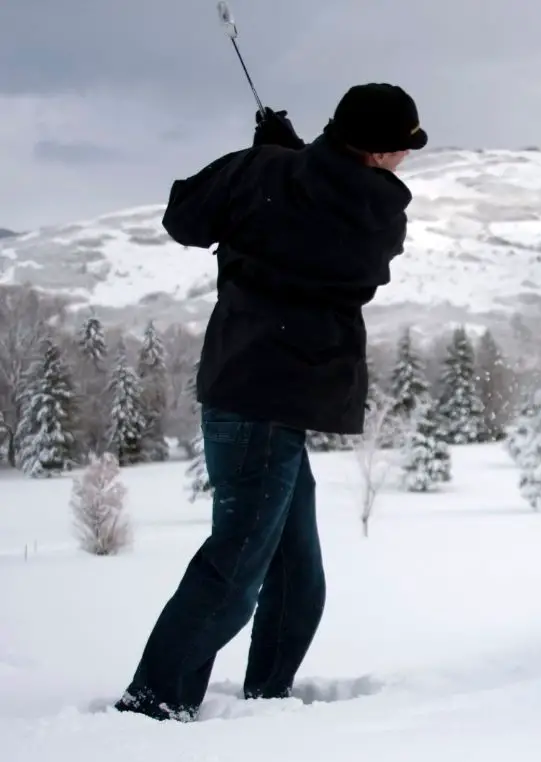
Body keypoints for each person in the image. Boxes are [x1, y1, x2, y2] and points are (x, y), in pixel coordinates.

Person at [114, 83, 427, 722]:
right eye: (400, 150)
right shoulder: (373, 207)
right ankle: (151, 705)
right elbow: (321, 216)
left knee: (296, 578)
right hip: (253, 402)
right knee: (235, 573)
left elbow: (189, 218)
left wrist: (269, 162)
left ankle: (268, 701)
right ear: (379, 153)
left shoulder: (275, 176)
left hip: (265, 398)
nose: (403, 162)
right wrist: (283, 164)